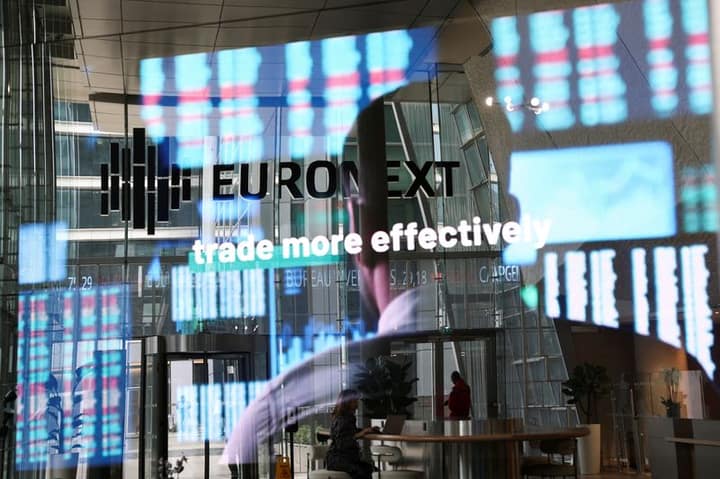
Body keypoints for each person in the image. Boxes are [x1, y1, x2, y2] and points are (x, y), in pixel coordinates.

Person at [325, 389, 376, 479]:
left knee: (371, 470)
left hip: (341, 459)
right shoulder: (343, 419)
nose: (357, 403)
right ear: (347, 402)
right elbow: (342, 443)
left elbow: (350, 431)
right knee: (364, 472)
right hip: (338, 460)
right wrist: (359, 434)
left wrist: (365, 430)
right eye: (355, 401)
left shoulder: (344, 417)